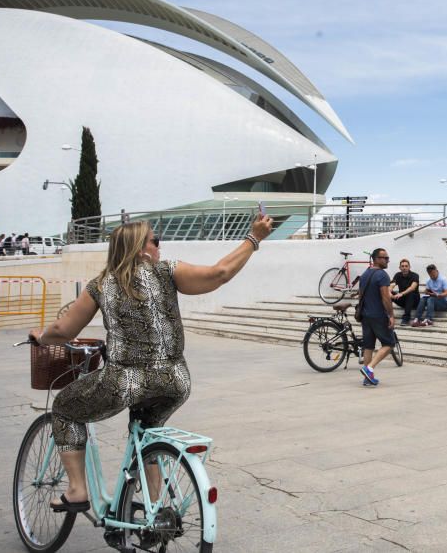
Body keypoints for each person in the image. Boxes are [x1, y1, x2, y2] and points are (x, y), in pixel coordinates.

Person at [30, 215, 273, 513]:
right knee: (148, 429)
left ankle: (78, 490)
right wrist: (254, 238)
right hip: (176, 380)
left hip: (125, 381)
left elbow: (64, 331)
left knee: (65, 409)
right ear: (139, 248)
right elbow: (219, 273)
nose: (160, 246)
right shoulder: (167, 272)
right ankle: (154, 507)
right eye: (155, 241)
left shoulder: (102, 285)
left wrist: (40, 338)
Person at [359, 248, 396, 386]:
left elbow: (361, 295)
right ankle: (369, 368)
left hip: (365, 315)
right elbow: (386, 298)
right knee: (389, 344)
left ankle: (367, 378)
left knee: (368, 346)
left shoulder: (364, 274)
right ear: (376, 259)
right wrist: (391, 315)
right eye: (385, 258)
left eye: (387, 258)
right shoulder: (382, 275)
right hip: (378, 315)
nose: (387, 260)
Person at [390, 259, 420, 326]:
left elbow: (412, 287)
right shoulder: (397, 275)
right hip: (403, 301)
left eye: (406, 266)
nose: (404, 268)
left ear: (409, 267)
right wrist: (389, 292)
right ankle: (388, 316)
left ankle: (406, 318)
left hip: (414, 301)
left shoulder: (415, 275)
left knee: (410, 293)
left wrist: (401, 293)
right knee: (388, 293)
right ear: (400, 268)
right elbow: (392, 285)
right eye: (402, 266)